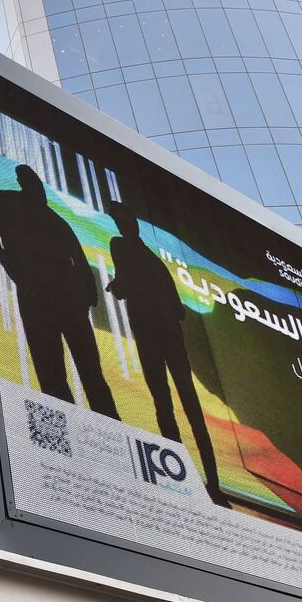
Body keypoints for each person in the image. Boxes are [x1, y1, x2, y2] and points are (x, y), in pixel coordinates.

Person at [0, 164, 118, 419]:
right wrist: (3, 257)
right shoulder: (5, 202)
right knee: (50, 375)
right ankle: (60, 437)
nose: (38, 190)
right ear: (22, 183)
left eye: (39, 185)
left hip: (70, 300)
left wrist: (89, 293)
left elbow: (79, 257)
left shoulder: (54, 219)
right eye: (31, 183)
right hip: (35, 298)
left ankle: (111, 427)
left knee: (90, 371)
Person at [106, 202, 223, 504]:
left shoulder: (136, 253)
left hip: (160, 336)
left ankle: (207, 482)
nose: (124, 225)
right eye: (120, 220)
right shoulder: (134, 251)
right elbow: (166, 303)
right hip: (157, 335)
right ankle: (186, 479)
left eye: (125, 219)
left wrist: (120, 286)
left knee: (180, 404)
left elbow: (132, 286)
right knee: (168, 404)